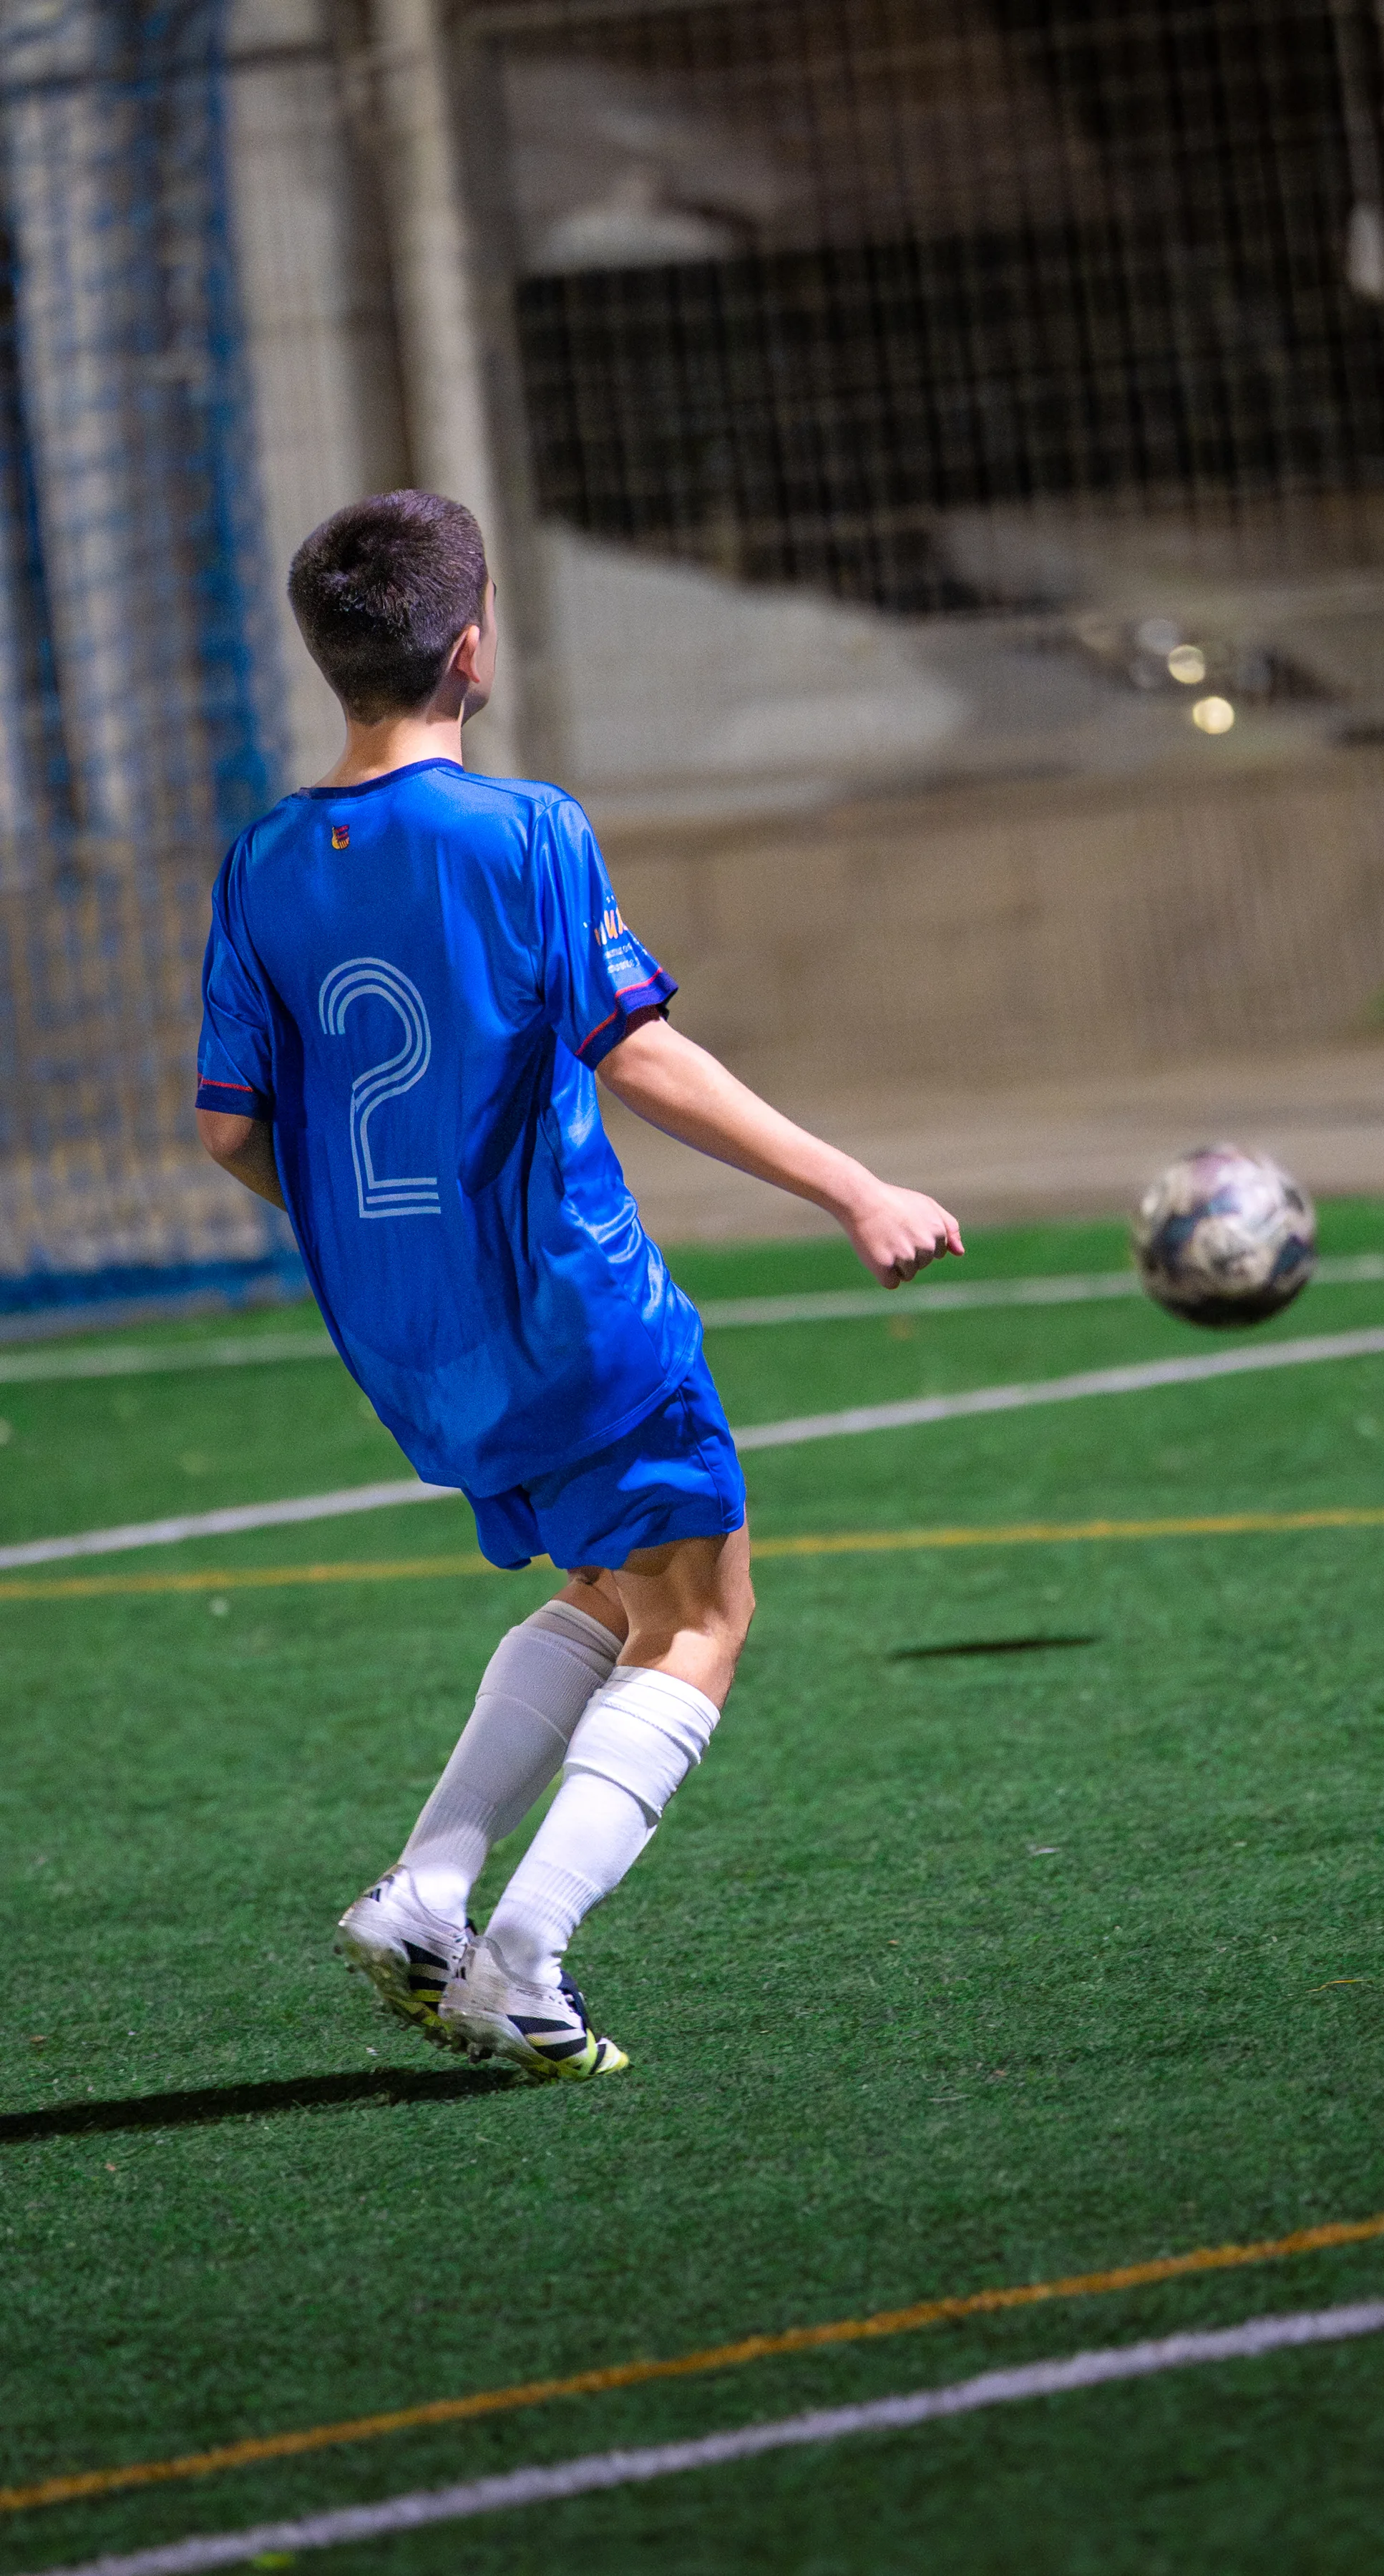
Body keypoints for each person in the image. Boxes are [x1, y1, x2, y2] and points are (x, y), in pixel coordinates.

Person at [197, 490, 962, 2082]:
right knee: (704, 1612)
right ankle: (524, 1961)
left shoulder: (263, 859)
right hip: (572, 1308)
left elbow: (229, 1127)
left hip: (418, 1345)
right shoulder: (525, 831)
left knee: (615, 1589)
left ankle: (425, 1892)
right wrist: (854, 1184)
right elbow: (644, 1050)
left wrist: (368, 1236)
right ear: (471, 643)